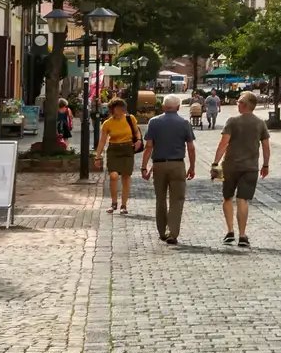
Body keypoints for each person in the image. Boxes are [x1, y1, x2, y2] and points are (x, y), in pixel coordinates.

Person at [211, 93, 270, 248]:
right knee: (243, 199)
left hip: (230, 166)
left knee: (227, 197)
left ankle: (230, 232)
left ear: (244, 104)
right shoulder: (260, 123)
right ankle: (242, 235)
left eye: (238, 102)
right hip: (251, 168)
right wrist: (266, 165)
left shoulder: (232, 121)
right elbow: (266, 146)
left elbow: (223, 144)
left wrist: (215, 165)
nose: (237, 104)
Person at [140, 94, 197, 246]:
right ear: (178, 107)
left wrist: (144, 166)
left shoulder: (154, 122)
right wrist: (192, 166)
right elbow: (191, 148)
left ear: (164, 107)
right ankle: (172, 232)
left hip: (159, 165)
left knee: (160, 199)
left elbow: (149, 146)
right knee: (177, 199)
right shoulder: (184, 123)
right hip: (177, 165)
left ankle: (161, 231)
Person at [99, 99, 141, 215]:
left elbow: (136, 132)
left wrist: (138, 140)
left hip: (127, 149)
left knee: (126, 177)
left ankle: (123, 205)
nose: (121, 110)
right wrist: (98, 156)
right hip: (114, 150)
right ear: (113, 109)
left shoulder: (130, 118)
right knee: (113, 175)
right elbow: (102, 141)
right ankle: (113, 203)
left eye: (122, 107)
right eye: (118, 108)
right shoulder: (107, 123)